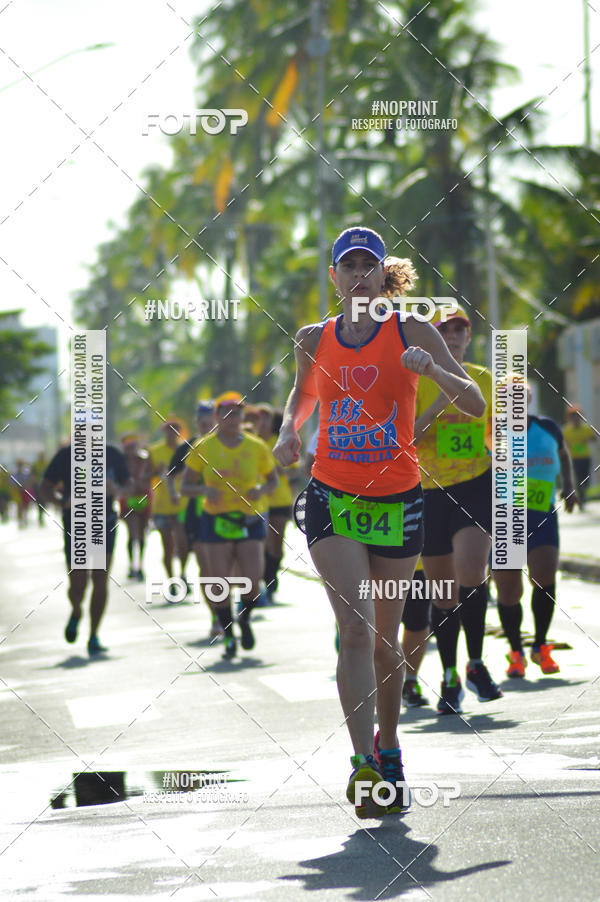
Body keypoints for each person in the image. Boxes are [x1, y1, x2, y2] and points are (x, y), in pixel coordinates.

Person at [274, 226, 486, 817]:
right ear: (336, 276)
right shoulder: (314, 338)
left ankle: (388, 746)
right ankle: (363, 765)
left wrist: (435, 371)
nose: (359, 274)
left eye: (370, 265)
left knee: (385, 641)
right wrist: (290, 430)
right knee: (357, 629)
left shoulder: (411, 330)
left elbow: (473, 400)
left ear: (383, 274)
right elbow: (303, 395)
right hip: (333, 495)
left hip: (397, 499)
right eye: (349, 265)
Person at [414, 304, 502, 715]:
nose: (452, 337)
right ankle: (449, 675)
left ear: (468, 337)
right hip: (429, 490)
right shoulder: (416, 380)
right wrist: (436, 405)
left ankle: (477, 663)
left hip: (474, 484)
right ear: (434, 336)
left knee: (472, 570)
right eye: (444, 330)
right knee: (443, 592)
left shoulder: (482, 378)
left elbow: (495, 426)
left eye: (459, 330)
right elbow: (406, 437)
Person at [180, 391, 279, 658]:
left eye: (237, 413)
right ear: (216, 416)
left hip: (248, 518)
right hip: (216, 519)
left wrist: (261, 489)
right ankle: (228, 634)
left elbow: (273, 481)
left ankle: (244, 620)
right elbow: (185, 486)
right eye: (226, 412)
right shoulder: (203, 447)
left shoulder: (256, 446)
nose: (232, 417)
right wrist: (203, 492)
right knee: (218, 581)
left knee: (252, 578)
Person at [494, 386, 579, 676]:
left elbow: (564, 454)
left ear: (528, 399)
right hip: (503, 518)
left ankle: (540, 646)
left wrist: (569, 486)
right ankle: (516, 651)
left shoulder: (547, 427)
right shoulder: (493, 433)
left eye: (519, 395)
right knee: (508, 590)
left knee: (544, 576)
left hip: (542, 513)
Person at [40, 439, 130, 655]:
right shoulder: (65, 455)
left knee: (100, 577)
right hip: (76, 524)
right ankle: (77, 610)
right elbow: (45, 486)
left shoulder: (112, 453)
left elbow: (130, 485)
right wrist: (62, 502)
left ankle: (93, 635)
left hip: (104, 521)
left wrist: (116, 489)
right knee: (78, 582)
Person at [169, 400, 220, 637]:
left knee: (228, 566)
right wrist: (174, 496)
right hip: (196, 513)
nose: (206, 424)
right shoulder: (188, 447)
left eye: (210, 420)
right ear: (197, 422)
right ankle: (216, 617)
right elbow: (170, 476)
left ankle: (232, 607)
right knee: (207, 567)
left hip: (230, 511)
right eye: (202, 421)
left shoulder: (230, 444)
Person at [149, 418, 189, 598]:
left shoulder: (186, 449)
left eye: (175, 429)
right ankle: (171, 579)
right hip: (162, 506)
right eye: (168, 430)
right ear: (163, 431)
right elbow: (144, 476)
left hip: (182, 504)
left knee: (182, 543)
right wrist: (155, 471)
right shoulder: (155, 451)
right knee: (167, 546)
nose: (172, 433)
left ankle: (183, 573)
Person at [120, 435, 153, 580]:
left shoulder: (144, 460)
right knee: (132, 534)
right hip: (128, 499)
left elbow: (151, 476)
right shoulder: (121, 462)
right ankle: (131, 565)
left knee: (142, 534)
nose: (131, 450)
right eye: (128, 447)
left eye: (133, 446)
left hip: (143, 497)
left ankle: (140, 565)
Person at [400, 561, 431, 707]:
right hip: (371, 559)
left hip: (416, 561)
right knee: (376, 627)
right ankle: (377, 685)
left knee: (418, 622)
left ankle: (410, 682)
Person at [562, 405, 596, 509]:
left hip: (585, 457)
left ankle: (583, 493)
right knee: (578, 478)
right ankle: (581, 499)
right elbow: (562, 443)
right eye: (573, 416)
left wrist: (587, 439)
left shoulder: (586, 429)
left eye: (577, 416)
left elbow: (593, 438)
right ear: (569, 418)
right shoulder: (566, 430)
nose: (576, 418)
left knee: (586, 478)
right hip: (573, 458)